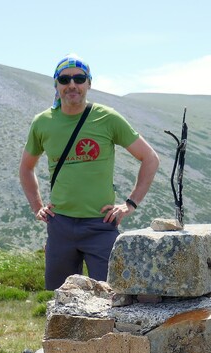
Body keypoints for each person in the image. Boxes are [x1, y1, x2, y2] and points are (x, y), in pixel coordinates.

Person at [19, 54, 160, 290]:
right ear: (56, 84)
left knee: (111, 295)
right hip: (60, 225)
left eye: (79, 78)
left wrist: (130, 204)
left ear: (89, 83)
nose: (72, 84)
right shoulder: (42, 122)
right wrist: (37, 206)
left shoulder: (107, 118)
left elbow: (150, 158)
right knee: (60, 299)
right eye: (64, 79)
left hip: (101, 225)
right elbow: (26, 167)